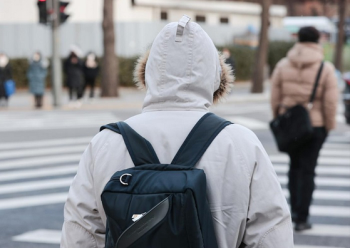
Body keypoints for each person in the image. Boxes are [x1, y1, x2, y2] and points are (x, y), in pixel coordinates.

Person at [61, 18, 293, 247]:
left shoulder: (105, 143)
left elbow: (79, 234)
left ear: (149, 71)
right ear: (215, 75)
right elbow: (271, 235)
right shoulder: (241, 143)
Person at [270, 26, 338, 231]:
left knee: (294, 168)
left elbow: (275, 96)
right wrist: (329, 126)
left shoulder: (283, 64)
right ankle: (302, 217)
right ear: (317, 41)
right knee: (308, 171)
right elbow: (330, 102)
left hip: (290, 124)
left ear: (298, 39)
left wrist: (279, 119)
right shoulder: (324, 67)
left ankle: (293, 212)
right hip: (314, 125)